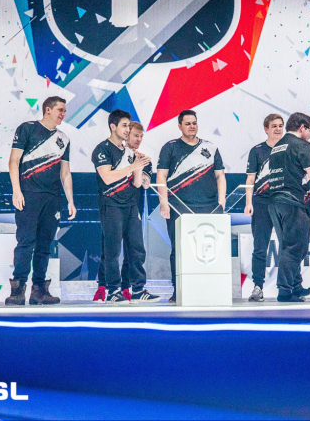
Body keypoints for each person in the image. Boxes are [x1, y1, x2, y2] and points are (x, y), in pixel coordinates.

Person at [6, 96, 76, 306]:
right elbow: (14, 161)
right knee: (26, 242)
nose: (63, 114)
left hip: (52, 198)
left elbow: (65, 172)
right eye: (60, 110)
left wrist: (70, 201)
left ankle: (39, 290)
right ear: (48, 110)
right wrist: (16, 191)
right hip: (29, 194)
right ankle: (18, 290)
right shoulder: (27, 129)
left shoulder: (64, 139)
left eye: (64, 111)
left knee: (45, 245)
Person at [157, 110, 226, 303]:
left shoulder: (210, 147)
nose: (192, 126)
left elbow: (220, 176)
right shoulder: (170, 147)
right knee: (179, 250)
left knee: (209, 252)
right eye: (187, 123)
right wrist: (164, 202)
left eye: (194, 123)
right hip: (178, 207)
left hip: (209, 207)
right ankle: (178, 290)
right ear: (180, 126)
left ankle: (209, 290)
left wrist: (221, 203)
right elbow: (161, 176)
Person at [93, 119, 161, 304]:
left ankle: (133, 288)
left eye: (141, 136)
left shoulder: (143, 159)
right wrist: (131, 167)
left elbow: (142, 184)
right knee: (111, 249)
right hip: (111, 205)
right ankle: (106, 287)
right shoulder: (110, 152)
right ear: (125, 134)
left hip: (133, 206)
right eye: (135, 135)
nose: (138, 139)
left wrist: (138, 166)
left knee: (135, 250)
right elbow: (107, 177)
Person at [268, 112, 310, 302]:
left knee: (287, 246)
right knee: (296, 248)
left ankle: (295, 286)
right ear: (302, 128)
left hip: (275, 202)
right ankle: (284, 290)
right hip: (293, 202)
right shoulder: (302, 145)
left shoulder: (277, 146)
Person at [244, 114, 285, 302]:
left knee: (288, 247)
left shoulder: (289, 149)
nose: (278, 129)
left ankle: (287, 287)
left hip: (284, 202)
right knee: (260, 248)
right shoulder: (257, 151)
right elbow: (250, 179)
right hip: (262, 203)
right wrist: (249, 202)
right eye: (274, 126)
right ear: (266, 129)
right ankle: (258, 287)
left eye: (280, 125)